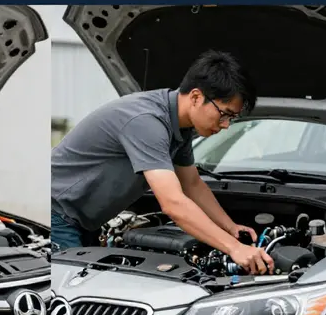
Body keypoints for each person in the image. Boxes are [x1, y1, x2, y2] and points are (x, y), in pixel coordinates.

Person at [50, 49, 274, 275]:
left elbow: (192, 184)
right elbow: (173, 203)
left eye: (232, 118)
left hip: (84, 221)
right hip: (58, 214)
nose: (225, 125)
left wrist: (230, 227)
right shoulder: (147, 121)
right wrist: (234, 248)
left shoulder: (180, 127)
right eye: (224, 114)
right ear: (196, 97)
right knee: (69, 286)